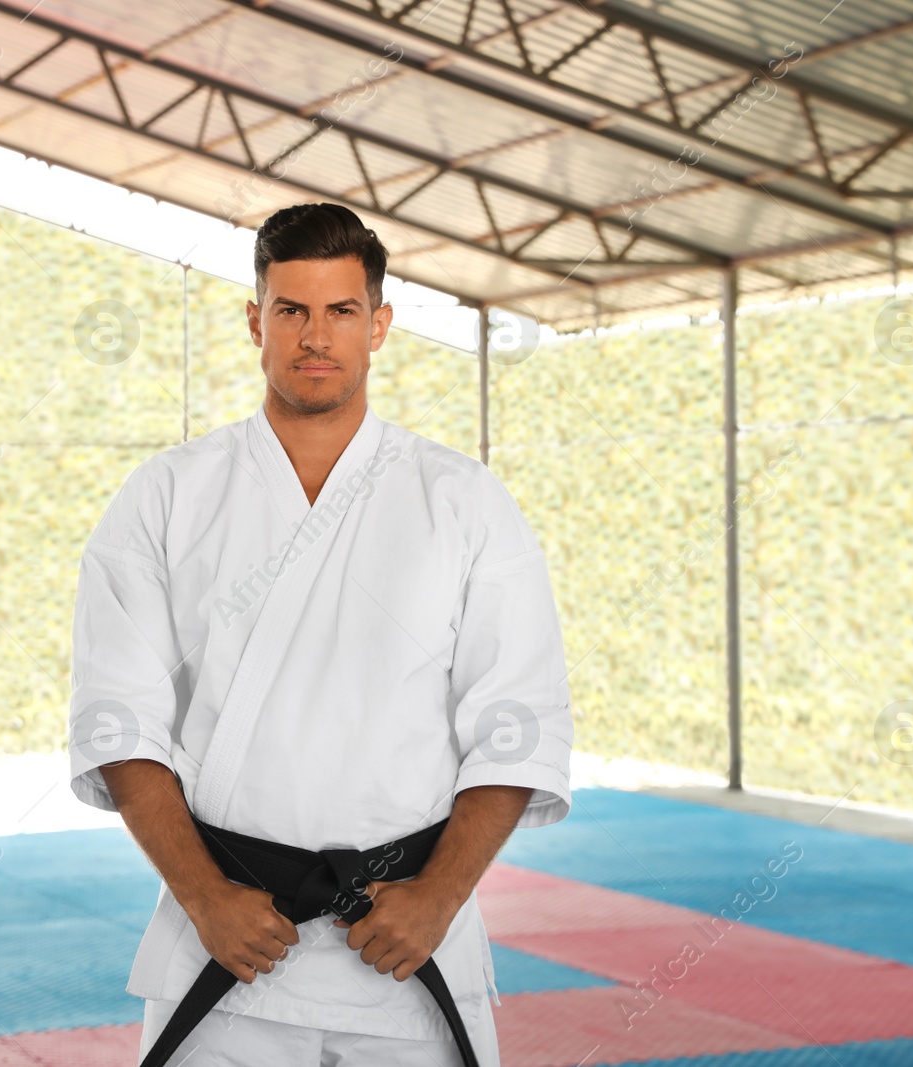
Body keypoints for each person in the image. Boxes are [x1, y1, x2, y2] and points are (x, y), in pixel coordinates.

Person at [67, 202, 572, 1066]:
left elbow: (516, 721)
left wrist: (440, 897)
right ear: (255, 320)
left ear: (378, 325)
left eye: (341, 311)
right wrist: (204, 896)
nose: (315, 336)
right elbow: (120, 718)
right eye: (292, 310)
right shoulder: (165, 495)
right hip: (228, 944)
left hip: (406, 945)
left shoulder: (461, 500)